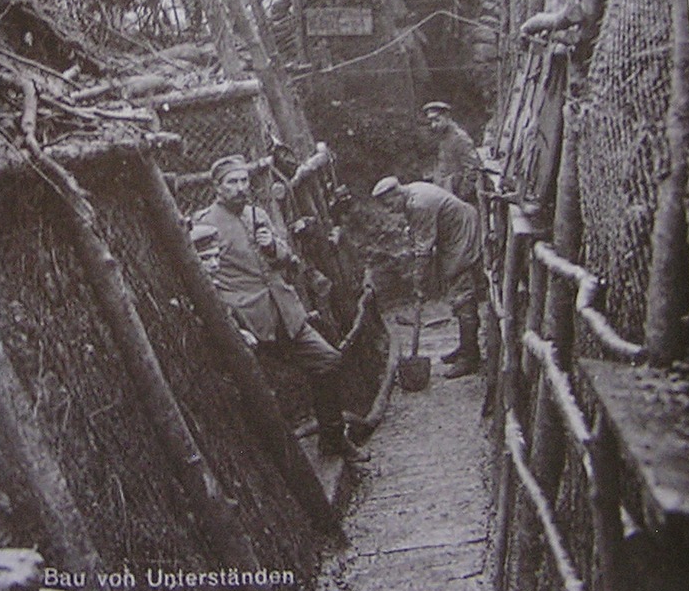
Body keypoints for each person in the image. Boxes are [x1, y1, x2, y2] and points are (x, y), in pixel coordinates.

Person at [198, 155, 369, 462]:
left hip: (285, 312)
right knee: (256, 392)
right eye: (231, 182)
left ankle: (332, 440)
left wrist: (273, 247)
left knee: (328, 361)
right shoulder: (206, 224)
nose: (239, 188)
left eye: (243, 181)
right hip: (247, 320)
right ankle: (273, 461)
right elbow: (204, 277)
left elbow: (287, 258)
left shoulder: (257, 214)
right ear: (216, 187)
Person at [371, 175, 485, 378]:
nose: (390, 210)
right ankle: (465, 346)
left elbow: (424, 249)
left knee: (462, 293)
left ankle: (470, 357)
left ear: (397, 193)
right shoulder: (411, 192)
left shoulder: (418, 205)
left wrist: (418, 281)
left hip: (462, 234)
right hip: (454, 232)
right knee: (456, 289)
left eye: (390, 204)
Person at [422, 101, 482, 204]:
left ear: (447, 117)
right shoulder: (441, 137)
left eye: (437, 120)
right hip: (445, 195)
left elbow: (473, 169)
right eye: (431, 121)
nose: (433, 125)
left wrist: (462, 195)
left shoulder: (460, 138)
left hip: (458, 199)